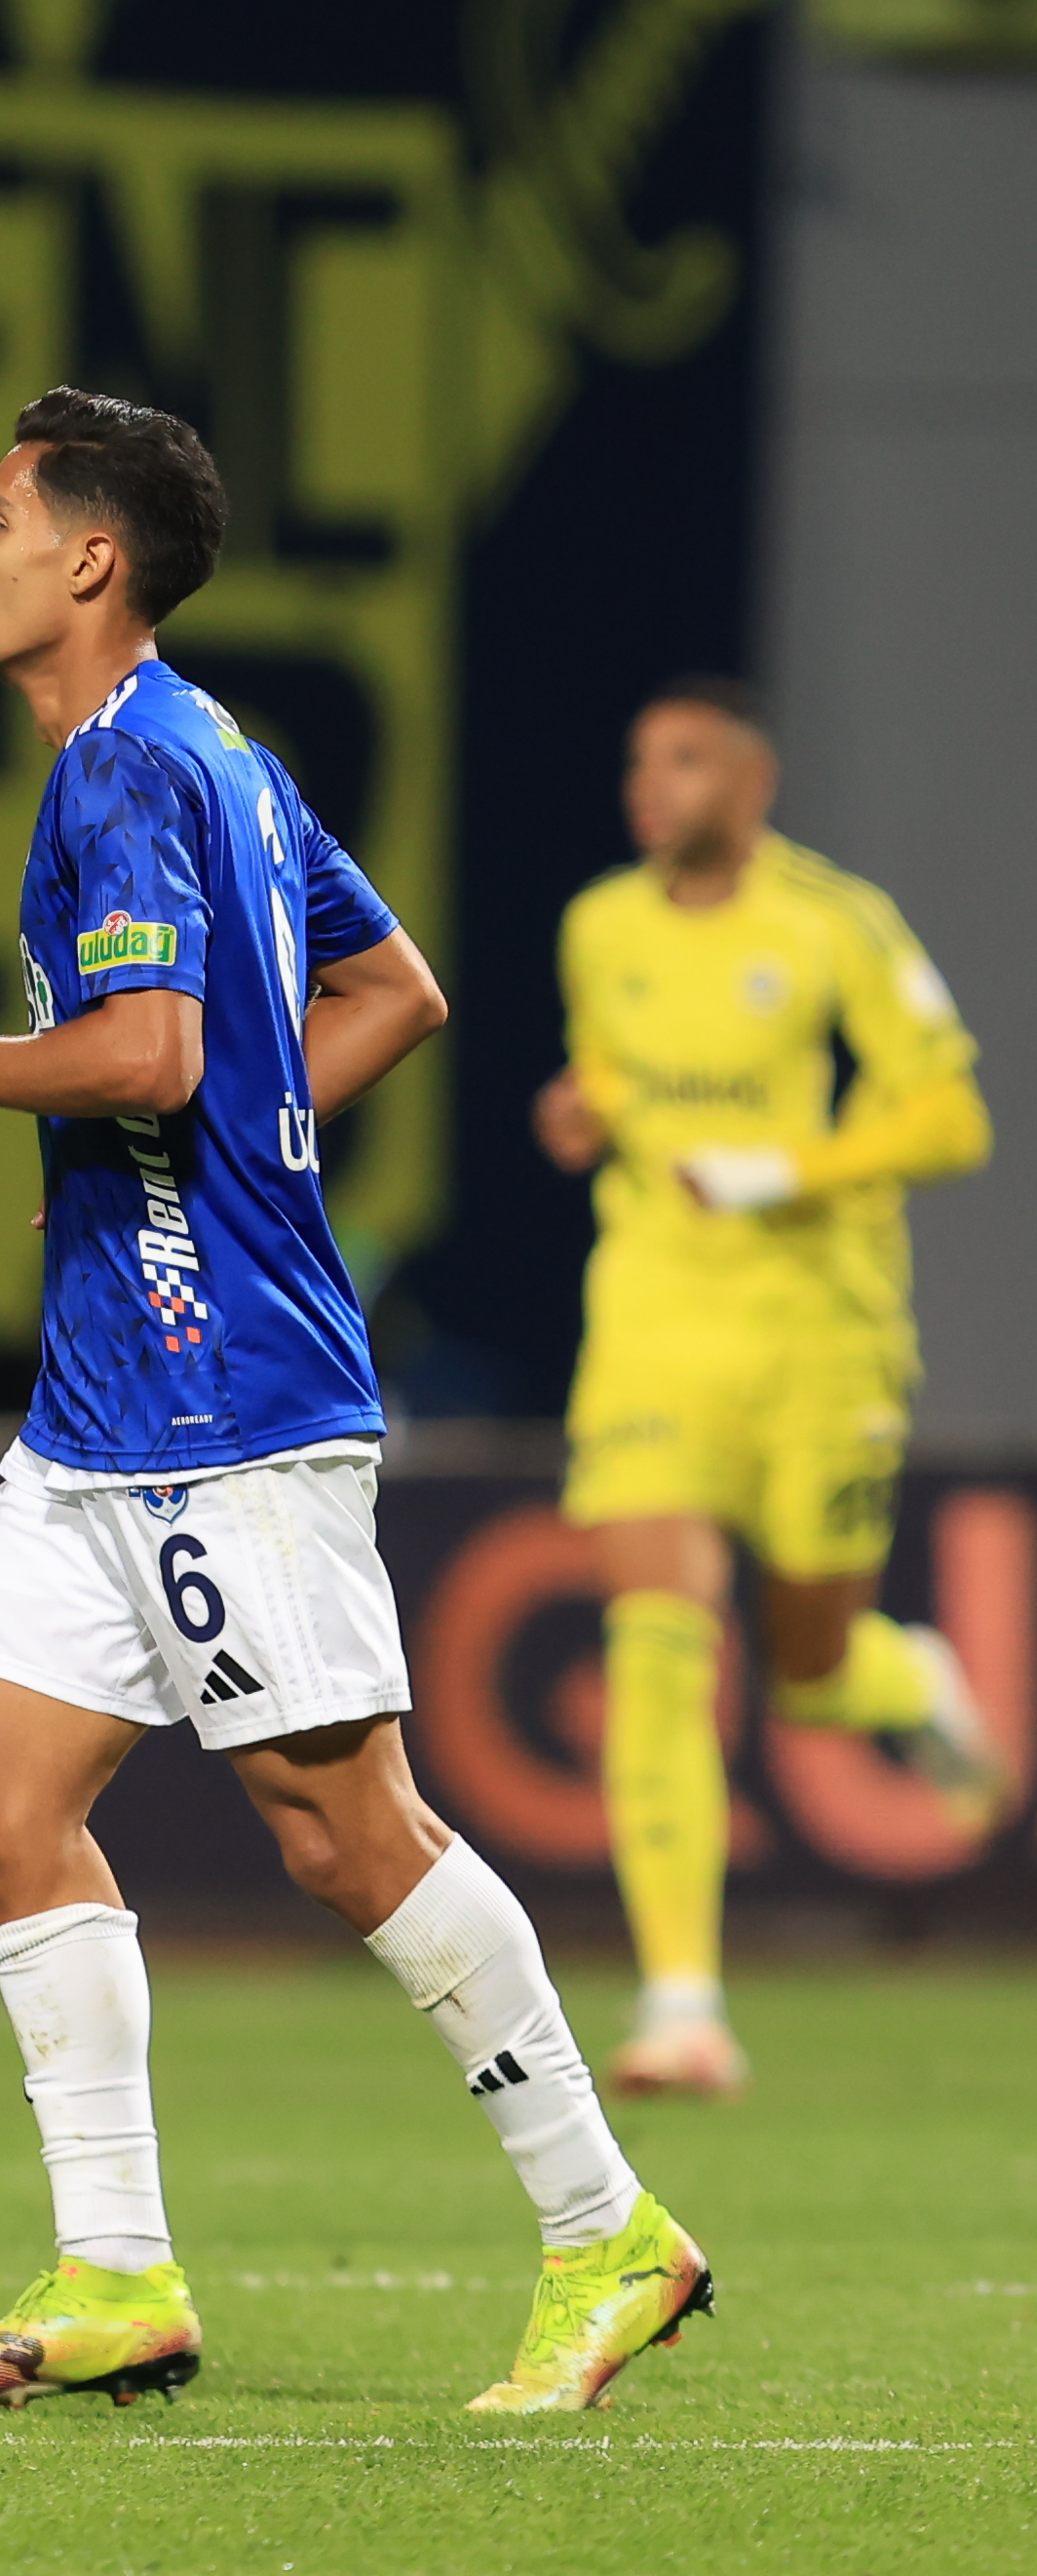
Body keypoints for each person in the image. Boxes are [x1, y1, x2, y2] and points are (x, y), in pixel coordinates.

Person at [0, 387, 706, 2419]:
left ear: (88, 557)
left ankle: (606, 2229)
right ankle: (113, 2272)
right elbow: (391, 988)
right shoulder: (218, 750)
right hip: (98, 1403)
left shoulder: (131, 769)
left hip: (223, 1393)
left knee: (341, 1827)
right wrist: (216, 1139)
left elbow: (147, 1051)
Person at [534, 677, 1001, 2101]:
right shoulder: (597, 926)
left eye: (683, 759)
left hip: (817, 1334)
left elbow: (950, 1114)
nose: (650, 783)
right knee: (656, 1636)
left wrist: (785, 1170)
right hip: (655, 1323)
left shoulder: (831, 922)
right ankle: (682, 2003)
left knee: (811, 1672)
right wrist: (583, 1109)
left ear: (751, 780)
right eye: (639, 759)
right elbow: (611, 1081)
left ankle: (907, 1675)